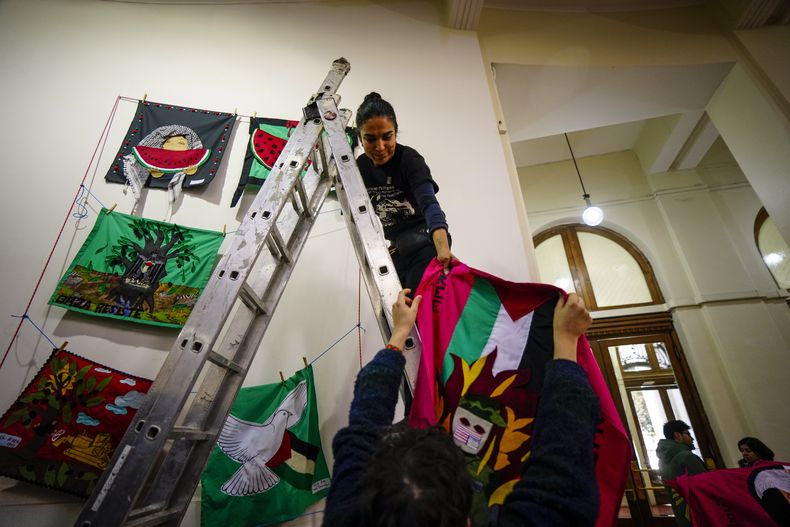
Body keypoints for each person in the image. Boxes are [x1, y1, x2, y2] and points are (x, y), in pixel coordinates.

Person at [322, 290, 601, 527]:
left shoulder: (348, 515)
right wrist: (566, 341)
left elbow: (363, 423)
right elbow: (563, 460)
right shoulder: (347, 512)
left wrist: (399, 334)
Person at [355, 92, 454, 294]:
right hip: (396, 251)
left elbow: (429, 204)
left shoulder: (409, 159)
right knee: (398, 312)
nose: (380, 147)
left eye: (387, 137)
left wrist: (443, 250)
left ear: (396, 133)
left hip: (426, 244)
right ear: (360, 138)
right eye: (370, 139)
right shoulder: (360, 167)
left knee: (414, 310)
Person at [656, 420, 707, 527]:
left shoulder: (663, 460)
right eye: (688, 434)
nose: (692, 438)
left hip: (681, 511)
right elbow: (705, 485)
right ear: (678, 435)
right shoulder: (687, 457)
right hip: (698, 512)